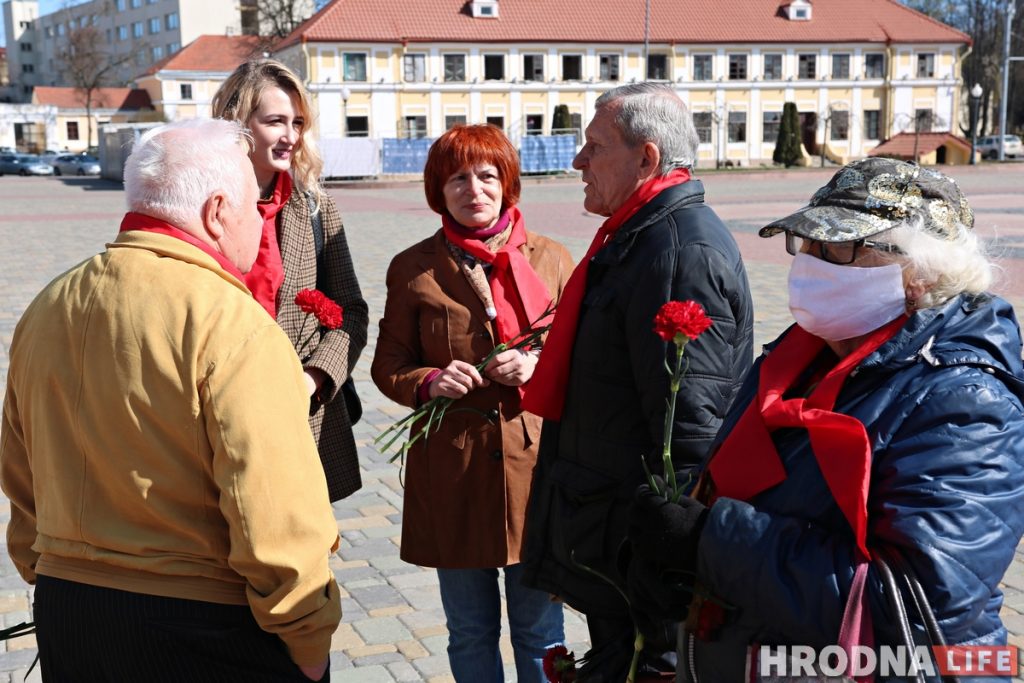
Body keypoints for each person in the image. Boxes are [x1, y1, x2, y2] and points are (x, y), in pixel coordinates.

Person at [627, 157, 1024, 681]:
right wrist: (680, 548)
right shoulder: (801, 356)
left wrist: (710, 541)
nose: (809, 260)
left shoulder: (964, 399)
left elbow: (920, 603)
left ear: (918, 270)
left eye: (838, 246)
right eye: (806, 242)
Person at [0, 118, 341, 681]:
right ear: (216, 212)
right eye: (254, 206)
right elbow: (276, 515)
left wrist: (48, 570)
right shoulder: (236, 325)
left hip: (70, 611)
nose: (261, 220)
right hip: (203, 623)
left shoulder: (47, 306)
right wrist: (309, 639)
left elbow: (19, 469)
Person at [519, 82, 755, 679]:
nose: (578, 162)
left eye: (594, 148)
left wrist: (666, 594)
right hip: (611, 535)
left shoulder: (676, 254)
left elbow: (691, 432)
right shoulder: (640, 234)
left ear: (646, 158)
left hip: (637, 557)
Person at [371, 124, 574, 682]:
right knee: (470, 632)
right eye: (457, 177)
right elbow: (388, 364)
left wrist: (536, 366)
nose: (474, 189)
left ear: (508, 184)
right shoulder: (413, 268)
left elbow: (584, 358)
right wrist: (430, 380)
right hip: (453, 472)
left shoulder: (552, 259)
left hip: (532, 472)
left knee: (540, 634)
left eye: (487, 176)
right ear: (439, 188)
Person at [212, 59, 368, 502]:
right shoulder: (201, 206)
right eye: (275, 121)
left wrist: (315, 378)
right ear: (238, 124)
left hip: (303, 416)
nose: (291, 136)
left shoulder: (314, 207)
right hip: (220, 415)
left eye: (297, 122)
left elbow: (352, 313)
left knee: (301, 555)